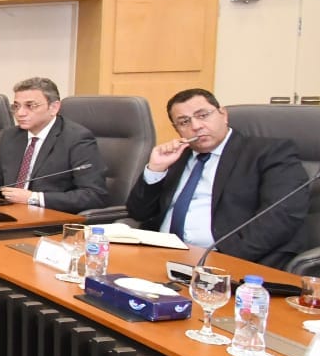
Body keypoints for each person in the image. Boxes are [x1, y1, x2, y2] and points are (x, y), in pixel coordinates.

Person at [125, 88, 309, 266]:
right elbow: (138, 213)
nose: (196, 126)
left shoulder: (269, 153)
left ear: (223, 114)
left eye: (203, 115)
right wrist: (156, 169)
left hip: (228, 260)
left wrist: (218, 260)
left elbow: (281, 217)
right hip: (161, 257)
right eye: (184, 122)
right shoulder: (176, 156)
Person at [0, 77, 108, 212]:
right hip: (10, 211)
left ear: (54, 107)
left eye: (30, 106)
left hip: (51, 216)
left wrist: (34, 198)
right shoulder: (11, 135)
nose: (20, 113)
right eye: (16, 106)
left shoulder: (77, 138)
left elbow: (93, 196)